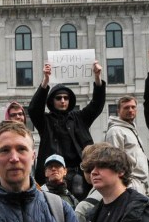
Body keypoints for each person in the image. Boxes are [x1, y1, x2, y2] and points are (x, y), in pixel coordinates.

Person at [27, 60, 105, 201]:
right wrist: (45, 81)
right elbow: (33, 109)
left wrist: (98, 77)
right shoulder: (45, 121)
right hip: (55, 175)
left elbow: (97, 105)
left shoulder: (80, 118)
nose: (63, 101)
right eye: (59, 98)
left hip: (80, 176)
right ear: (52, 101)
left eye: (66, 98)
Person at [104, 95, 149, 194]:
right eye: (126, 107)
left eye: (133, 107)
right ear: (118, 110)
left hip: (140, 182)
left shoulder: (130, 129)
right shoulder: (115, 131)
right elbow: (114, 161)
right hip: (129, 183)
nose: (130, 110)